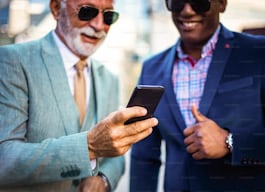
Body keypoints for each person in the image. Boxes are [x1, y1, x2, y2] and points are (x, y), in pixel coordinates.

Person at [130, 0, 265, 191]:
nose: (187, 11)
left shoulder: (260, 52)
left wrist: (230, 142)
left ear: (221, 4)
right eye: (178, 2)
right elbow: (144, 157)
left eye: (199, 2)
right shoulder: (152, 68)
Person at [0, 0, 158, 191]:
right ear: (57, 8)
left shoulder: (109, 79)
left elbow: (114, 158)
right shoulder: (12, 61)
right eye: (87, 12)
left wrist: (103, 178)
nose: (99, 25)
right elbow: (4, 159)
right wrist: (89, 146)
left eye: (109, 16)